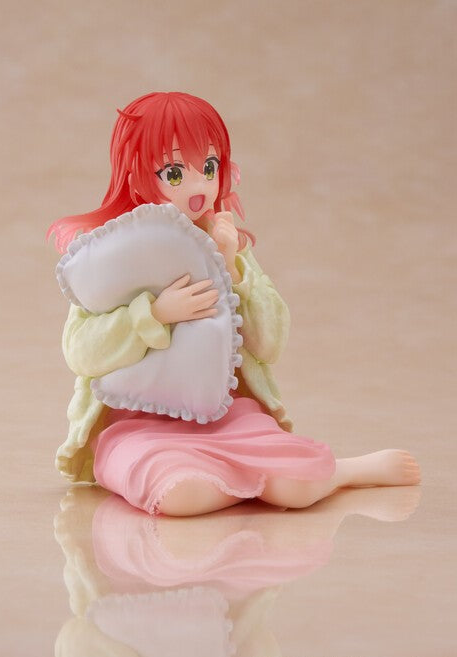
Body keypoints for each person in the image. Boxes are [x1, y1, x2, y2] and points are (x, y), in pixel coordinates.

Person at [47, 91, 421, 517]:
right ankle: (243, 481)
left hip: (225, 415)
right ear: (135, 175)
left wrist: (232, 273)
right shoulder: (113, 254)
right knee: (179, 495)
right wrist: (153, 315)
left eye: (208, 168)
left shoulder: (229, 246)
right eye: (174, 173)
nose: (198, 188)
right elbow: (81, 351)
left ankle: (341, 471)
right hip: (135, 425)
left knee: (298, 487)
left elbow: (269, 343)